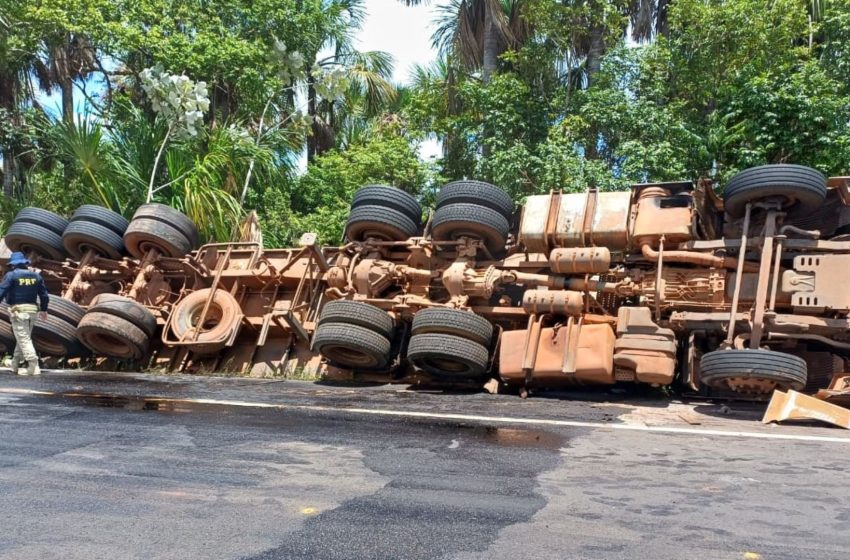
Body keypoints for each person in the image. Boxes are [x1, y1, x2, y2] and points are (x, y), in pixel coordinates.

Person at [0, 252, 49, 375]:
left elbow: (2, 292)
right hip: (32, 312)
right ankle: (15, 364)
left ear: (13, 265)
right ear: (25, 263)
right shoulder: (36, 277)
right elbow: (44, 296)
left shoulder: (11, 276)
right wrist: (44, 309)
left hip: (19, 312)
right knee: (22, 337)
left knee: (24, 339)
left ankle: (33, 366)